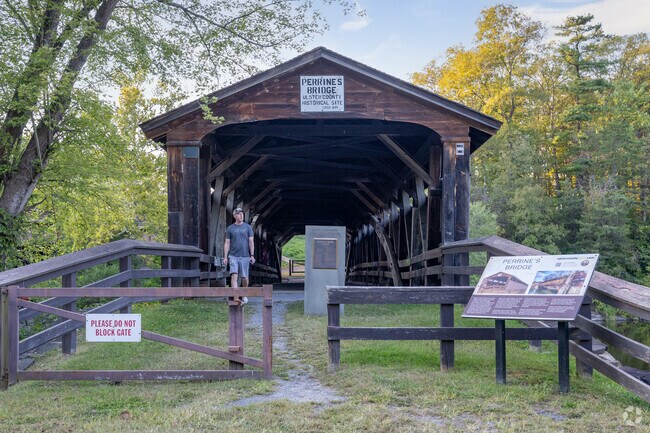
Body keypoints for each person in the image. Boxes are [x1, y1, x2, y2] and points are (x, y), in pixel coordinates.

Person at [223, 208, 255, 288]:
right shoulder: (230, 228)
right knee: (234, 275)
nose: (241, 215)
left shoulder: (248, 227)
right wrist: (225, 257)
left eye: (242, 214)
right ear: (234, 216)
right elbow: (227, 243)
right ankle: (235, 297)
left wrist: (252, 255)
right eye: (238, 214)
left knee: (244, 277)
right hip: (233, 255)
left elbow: (251, 241)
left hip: (245, 255)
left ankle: (244, 294)